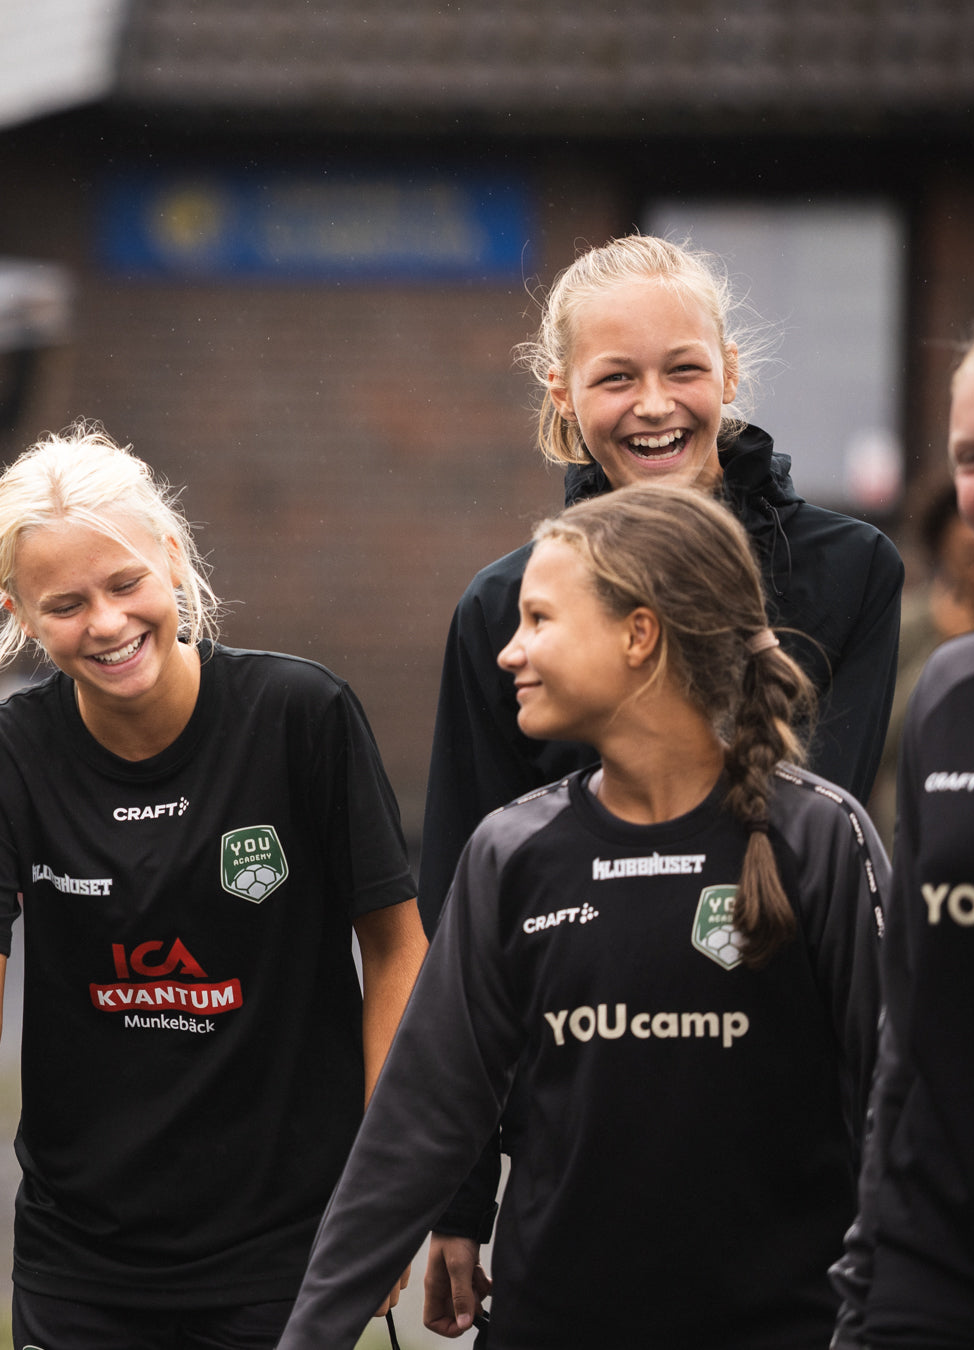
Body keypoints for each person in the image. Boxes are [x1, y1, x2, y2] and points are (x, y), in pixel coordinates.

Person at [276, 483, 886, 1350]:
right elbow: (414, 1130)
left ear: (639, 635)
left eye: (539, 621)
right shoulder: (511, 853)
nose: (509, 652)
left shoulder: (821, 839)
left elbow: (896, 1123)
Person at [0, 423, 427, 1350]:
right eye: (64, 603)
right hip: (79, 1260)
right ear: (20, 611)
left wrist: (385, 1195)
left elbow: (397, 953)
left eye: (125, 583)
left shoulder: (301, 716)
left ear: (174, 561)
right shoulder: (1, 758)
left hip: (287, 1248)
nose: (105, 624)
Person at [419, 233, 904, 936]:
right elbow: (462, 899)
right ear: (562, 391)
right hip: (568, 1020)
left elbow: (828, 832)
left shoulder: (853, 568)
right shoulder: (500, 608)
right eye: (617, 378)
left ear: (729, 373)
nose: (654, 405)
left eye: (683, 370)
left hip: (779, 995)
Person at [832, 335, 974, 1348]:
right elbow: (912, 1023)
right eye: (972, 457)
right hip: (941, 1257)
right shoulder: (950, 693)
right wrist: (869, 1274)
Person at [868, 477, 974, 851]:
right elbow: (881, 741)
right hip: (924, 846)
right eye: (970, 557)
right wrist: (948, 652)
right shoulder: (911, 626)